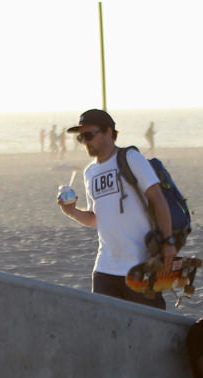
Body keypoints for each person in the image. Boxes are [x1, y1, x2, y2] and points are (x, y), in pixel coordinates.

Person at [57, 109, 177, 310]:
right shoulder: (90, 172)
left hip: (141, 264)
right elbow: (97, 218)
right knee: (107, 330)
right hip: (105, 268)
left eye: (89, 135)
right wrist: (72, 211)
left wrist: (168, 242)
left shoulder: (130, 158)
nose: (85, 141)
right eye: (81, 137)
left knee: (145, 328)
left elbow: (158, 200)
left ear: (109, 132)